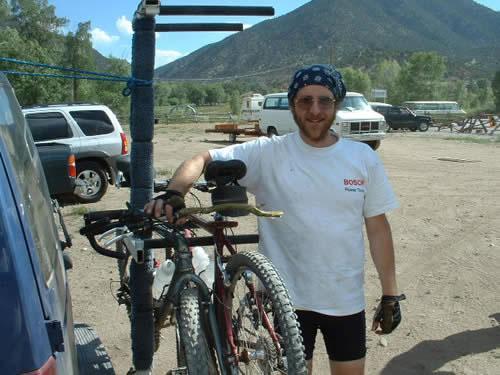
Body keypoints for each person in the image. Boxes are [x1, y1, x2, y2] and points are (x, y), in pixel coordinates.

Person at [145, 64, 405, 375]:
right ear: (293, 104)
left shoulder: (362, 158)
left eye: (325, 100)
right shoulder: (267, 152)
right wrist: (175, 193)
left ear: (336, 104)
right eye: (305, 100)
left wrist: (390, 294)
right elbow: (202, 158)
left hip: (344, 299)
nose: (315, 110)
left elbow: (378, 230)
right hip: (284, 300)